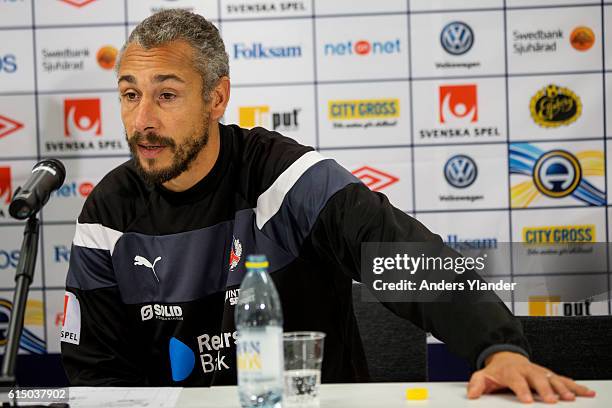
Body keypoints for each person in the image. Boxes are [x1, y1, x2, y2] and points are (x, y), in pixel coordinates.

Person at [60, 9, 595, 403]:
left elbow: (396, 253)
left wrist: (496, 348)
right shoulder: (107, 213)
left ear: (217, 97)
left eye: (167, 95)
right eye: (130, 95)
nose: (142, 120)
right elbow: (95, 376)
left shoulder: (284, 176)